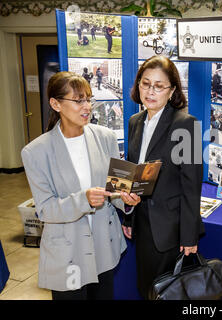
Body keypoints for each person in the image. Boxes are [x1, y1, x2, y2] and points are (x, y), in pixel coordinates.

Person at [20, 71, 141, 300]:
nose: (87, 106)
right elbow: (45, 209)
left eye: (89, 99)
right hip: (67, 252)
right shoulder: (36, 152)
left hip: (104, 245)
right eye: (78, 101)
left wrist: (125, 202)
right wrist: (83, 199)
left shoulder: (105, 137)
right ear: (55, 104)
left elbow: (114, 191)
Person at [122, 55, 204, 300]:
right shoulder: (135, 122)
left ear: (172, 91)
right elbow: (134, 174)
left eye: (159, 86)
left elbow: (192, 184)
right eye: (145, 84)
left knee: (167, 294)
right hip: (143, 223)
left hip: (171, 229)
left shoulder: (187, 124)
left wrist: (189, 235)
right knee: (146, 288)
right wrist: (129, 216)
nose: (151, 91)